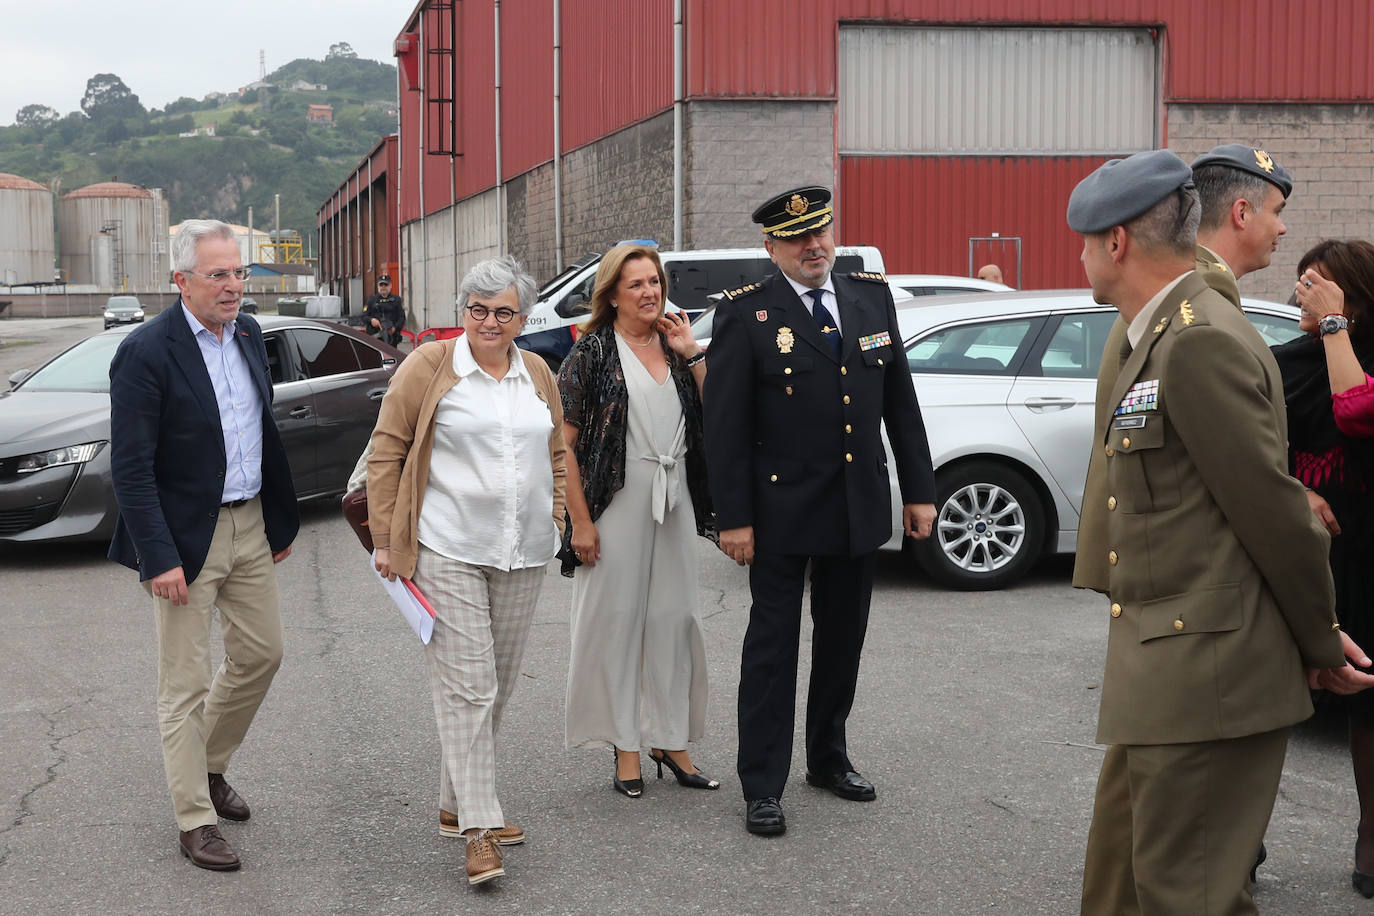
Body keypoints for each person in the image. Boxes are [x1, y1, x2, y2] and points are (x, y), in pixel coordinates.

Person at [1066, 150, 1374, 915]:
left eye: (1082, 241)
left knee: (1189, 892)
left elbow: (1271, 511)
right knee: (1123, 885)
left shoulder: (1198, 335)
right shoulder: (1153, 329)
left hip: (1207, 665)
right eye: (1274, 212)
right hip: (1164, 654)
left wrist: (1318, 636)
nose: (1078, 257)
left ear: (1117, 243)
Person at [702, 185, 937, 837]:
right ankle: (762, 785)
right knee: (773, 650)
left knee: (843, 641)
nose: (814, 246)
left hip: (855, 503)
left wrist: (919, 491)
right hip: (778, 511)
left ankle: (828, 761)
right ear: (771, 247)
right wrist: (734, 518)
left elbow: (900, 402)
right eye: (798, 237)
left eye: (821, 231)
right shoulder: (746, 314)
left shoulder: (870, 296)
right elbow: (725, 429)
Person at [366, 256, 567, 887]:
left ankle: (457, 800)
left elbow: (557, 448)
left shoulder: (535, 370)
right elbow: (388, 448)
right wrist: (383, 538)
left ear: (522, 318)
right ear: (463, 313)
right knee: (470, 687)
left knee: (497, 686)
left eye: (503, 311)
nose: (489, 321)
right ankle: (481, 828)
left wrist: (557, 513)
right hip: (446, 547)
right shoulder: (429, 367)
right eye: (477, 310)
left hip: (523, 549)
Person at [108, 219, 299, 871]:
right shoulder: (146, 351)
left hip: (249, 524)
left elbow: (260, 431)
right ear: (180, 280)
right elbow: (131, 467)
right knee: (183, 683)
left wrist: (275, 522)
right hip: (184, 535)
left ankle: (210, 764)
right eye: (218, 274)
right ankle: (194, 817)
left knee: (263, 654)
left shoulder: (247, 334)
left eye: (239, 272)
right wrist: (157, 554)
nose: (234, 286)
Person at [1075, 144, 1294, 596]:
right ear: (1241, 212)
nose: (1283, 227)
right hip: (1184, 586)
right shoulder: (1189, 310)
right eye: (1276, 211)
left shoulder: (1179, 299)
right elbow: (1238, 485)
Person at [558, 244, 717, 798]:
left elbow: (718, 417)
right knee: (617, 622)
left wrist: (693, 353)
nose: (650, 292)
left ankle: (670, 739)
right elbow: (564, 449)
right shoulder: (593, 353)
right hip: (616, 503)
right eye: (636, 284)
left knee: (675, 619)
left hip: (675, 500)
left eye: (655, 281)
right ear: (612, 294)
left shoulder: (676, 348)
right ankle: (626, 744)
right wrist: (579, 523)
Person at [1276, 240, 1374, 899]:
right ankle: (1241, 835)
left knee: (1368, 701)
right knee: (1269, 693)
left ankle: (1371, 837)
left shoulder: (1358, 360)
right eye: (1303, 284)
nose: (1304, 294)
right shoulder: (1281, 361)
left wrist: (1336, 325)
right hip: (1294, 551)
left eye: (1322, 285)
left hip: (1367, 554)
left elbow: (1356, 412)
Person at [363, 274, 405, 346]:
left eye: (386, 285)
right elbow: (363, 316)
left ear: (390, 286)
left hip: (391, 337)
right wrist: (371, 320)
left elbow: (402, 318)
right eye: (381, 285)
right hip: (375, 337)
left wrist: (394, 328)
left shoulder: (396, 300)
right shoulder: (371, 300)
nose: (383, 287)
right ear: (378, 286)